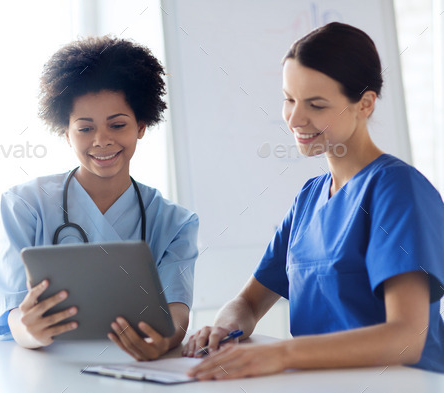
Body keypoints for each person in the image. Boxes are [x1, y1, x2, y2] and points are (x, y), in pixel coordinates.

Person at [183, 22, 444, 379]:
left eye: (316, 105)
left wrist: (283, 353)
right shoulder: (309, 197)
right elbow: (247, 302)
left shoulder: (398, 190)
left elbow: (406, 338)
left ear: (365, 104)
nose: (294, 119)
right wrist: (223, 330)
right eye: (289, 99)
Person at [0, 36, 199, 361]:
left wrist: (165, 341)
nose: (102, 141)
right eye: (85, 129)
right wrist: (29, 331)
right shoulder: (25, 205)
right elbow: (13, 313)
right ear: (65, 132)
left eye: (118, 124)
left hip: (134, 371)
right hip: (40, 368)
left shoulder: (175, 223)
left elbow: (176, 312)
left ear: (141, 125)